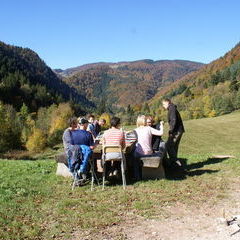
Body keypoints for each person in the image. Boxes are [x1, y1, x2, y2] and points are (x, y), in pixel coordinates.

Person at [62, 117, 95, 182]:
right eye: (76, 123)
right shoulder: (68, 132)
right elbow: (71, 144)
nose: (78, 124)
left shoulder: (73, 131)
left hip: (75, 149)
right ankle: (77, 177)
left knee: (83, 153)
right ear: (72, 124)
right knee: (84, 155)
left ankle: (82, 175)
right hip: (70, 151)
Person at [133, 115, 164, 180]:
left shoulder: (135, 130)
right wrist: (161, 125)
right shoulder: (149, 128)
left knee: (132, 155)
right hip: (149, 152)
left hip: (139, 153)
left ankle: (136, 176)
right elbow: (161, 133)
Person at [162, 98, 185, 167]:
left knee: (168, 145)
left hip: (176, 131)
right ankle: (174, 164)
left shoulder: (172, 109)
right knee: (174, 147)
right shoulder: (172, 108)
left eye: (163, 104)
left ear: (167, 102)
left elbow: (173, 120)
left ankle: (175, 162)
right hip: (179, 130)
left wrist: (171, 131)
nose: (163, 106)